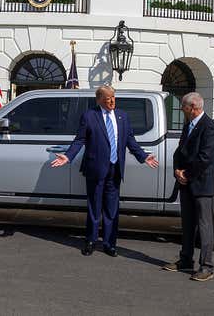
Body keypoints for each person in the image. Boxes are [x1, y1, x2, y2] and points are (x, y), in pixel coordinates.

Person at [51, 85, 159, 256]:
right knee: (94, 207)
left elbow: (130, 140)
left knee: (111, 209)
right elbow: (80, 140)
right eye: (108, 98)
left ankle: (109, 243)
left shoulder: (122, 116)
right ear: (99, 99)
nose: (112, 101)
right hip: (95, 169)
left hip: (115, 169)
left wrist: (143, 156)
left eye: (113, 97)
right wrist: (68, 156)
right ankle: (91, 241)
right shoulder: (89, 116)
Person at [163, 92, 214, 282]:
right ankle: (186, 259)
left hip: (202, 185)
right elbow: (179, 151)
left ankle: (207, 266)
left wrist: (186, 174)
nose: (182, 109)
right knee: (187, 224)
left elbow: (205, 158)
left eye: (184, 107)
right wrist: (177, 171)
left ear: (193, 107)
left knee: (204, 226)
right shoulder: (188, 125)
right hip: (186, 183)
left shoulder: (209, 128)